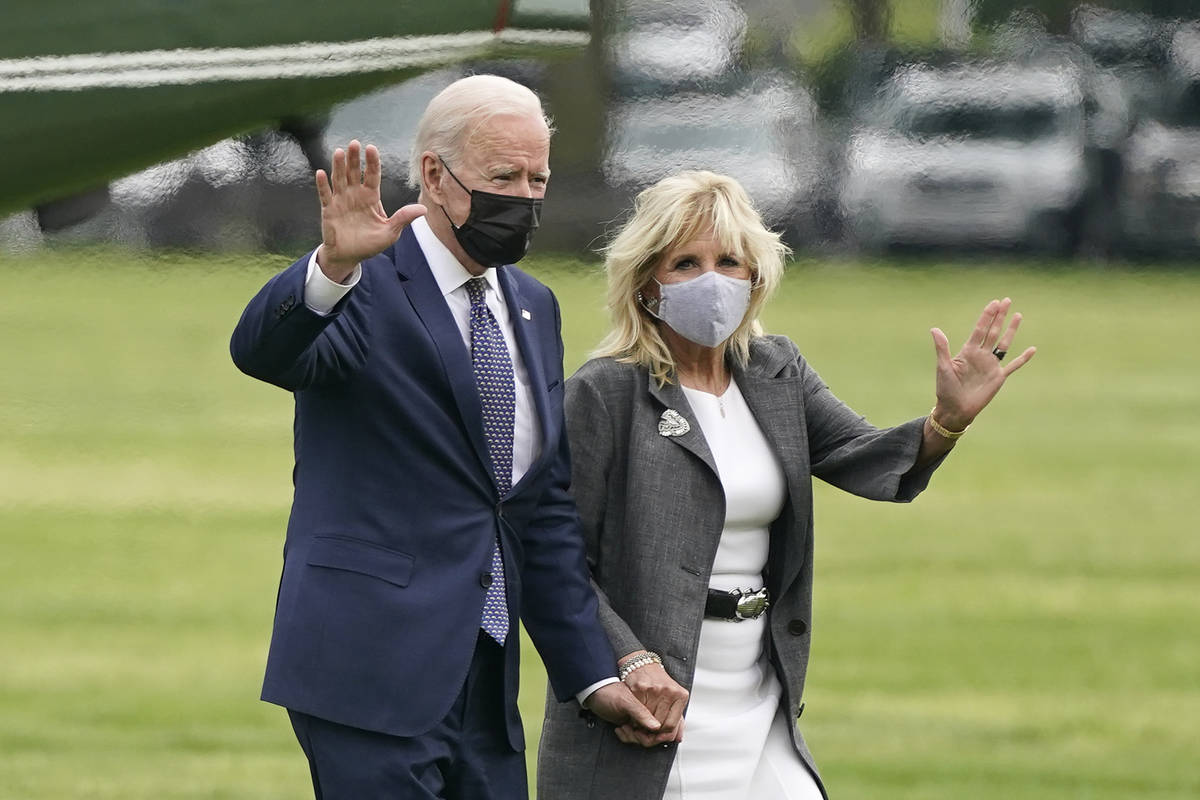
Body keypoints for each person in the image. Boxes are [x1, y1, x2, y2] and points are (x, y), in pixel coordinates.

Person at [537, 171, 1036, 799]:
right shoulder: (605, 392)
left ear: (756, 276)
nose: (712, 280)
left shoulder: (776, 371)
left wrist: (946, 422)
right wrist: (628, 662)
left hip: (758, 691)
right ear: (646, 286)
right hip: (655, 704)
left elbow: (864, 456)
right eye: (685, 263)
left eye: (729, 262)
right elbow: (556, 558)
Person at [230, 74, 661, 800]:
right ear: (434, 175)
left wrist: (591, 672)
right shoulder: (362, 279)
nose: (523, 197)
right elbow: (264, 352)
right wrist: (333, 267)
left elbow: (536, 511)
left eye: (537, 178)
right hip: (369, 672)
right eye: (503, 177)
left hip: (486, 685)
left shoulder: (533, 306)